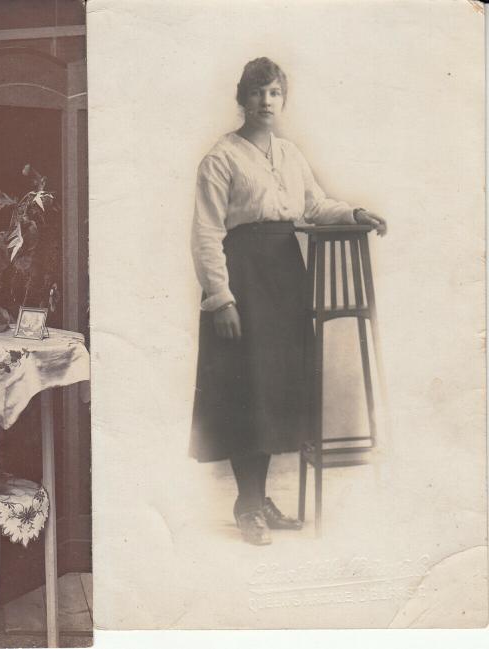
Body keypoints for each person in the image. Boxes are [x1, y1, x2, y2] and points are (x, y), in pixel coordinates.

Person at [190, 57, 387, 546]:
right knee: (246, 391)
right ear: (242, 98)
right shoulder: (221, 158)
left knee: (276, 390)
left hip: (285, 279)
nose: (265, 102)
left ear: (283, 99)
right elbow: (206, 234)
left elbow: (315, 205)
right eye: (256, 93)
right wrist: (221, 299)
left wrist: (354, 212)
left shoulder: (291, 155)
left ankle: (259, 501)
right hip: (244, 280)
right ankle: (248, 506)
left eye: (274, 93)